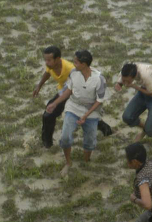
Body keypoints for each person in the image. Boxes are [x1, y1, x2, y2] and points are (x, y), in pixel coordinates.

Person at [33, 46, 113, 149]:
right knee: (48, 115)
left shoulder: (71, 69)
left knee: (84, 115)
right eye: (45, 60)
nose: (46, 63)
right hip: (65, 91)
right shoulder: (51, 65)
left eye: (49, 60)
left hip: (75, 93)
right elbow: (47, 73)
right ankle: (47, 143)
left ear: (58, 59)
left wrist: (56, 102)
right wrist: (39, 86)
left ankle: (104, 128)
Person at [46, 49, 107, 177]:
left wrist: (86, 115)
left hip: (91, 111)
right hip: (73, 107)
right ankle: (68, 163)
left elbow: (99, 101)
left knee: (89, 140)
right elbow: (69, 91)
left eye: (76, 62)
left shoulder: (99, 79)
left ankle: (86, 160)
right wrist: (55, 103)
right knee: (65, 137)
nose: (73, 65)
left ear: (84, 64)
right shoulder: (74, 73)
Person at [116, 63, 152, 146]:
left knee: (150, 129)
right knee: (127, 117)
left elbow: (151, 94)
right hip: (143, 92)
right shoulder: (126, 69)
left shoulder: (146, 74)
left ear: (134, 76)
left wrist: (134, 86)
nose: (125, 83)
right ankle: (145, 129)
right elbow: (122, 78)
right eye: (124, 80)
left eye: (127, 81)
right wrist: (119, 84)